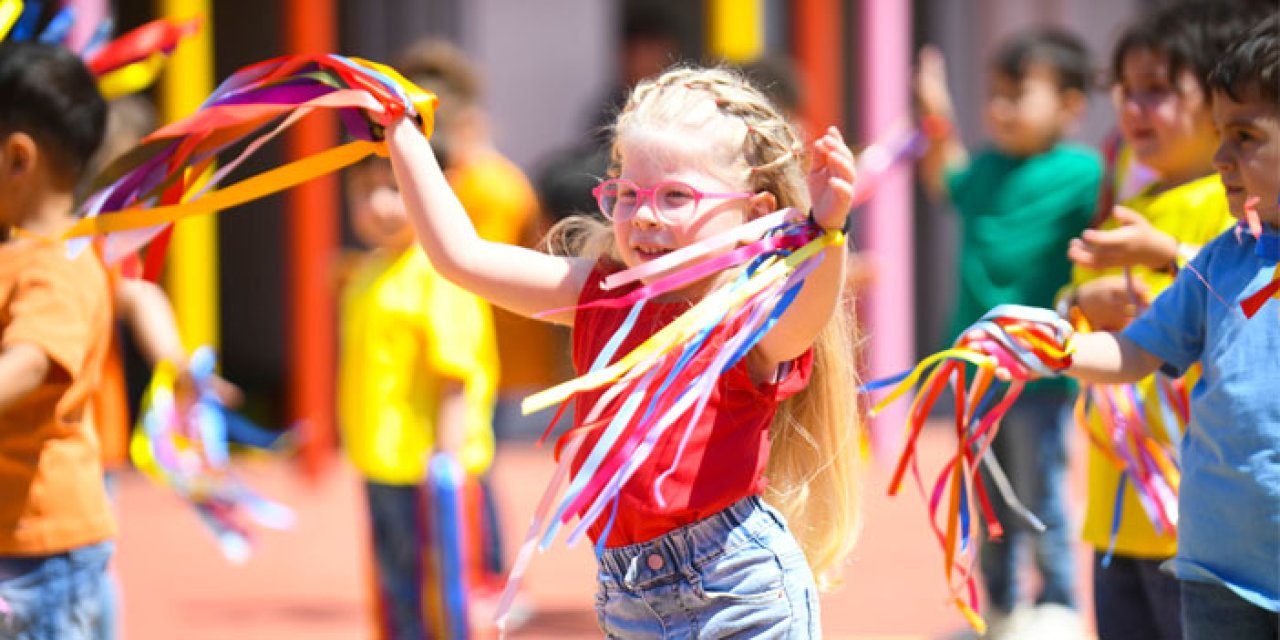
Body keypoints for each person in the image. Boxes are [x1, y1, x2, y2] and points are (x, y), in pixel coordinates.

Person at [385, 65, 861, 636]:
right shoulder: (599, 296)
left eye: (676, 196)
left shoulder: (744, 316)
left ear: (755, 212)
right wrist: (402, 132)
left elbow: (801, 324)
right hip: (628, 596)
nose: (645, 215)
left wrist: (827, 234)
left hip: (740, 589)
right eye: (628, 194)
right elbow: (460, 257)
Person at [1062, 17, 1280, 638]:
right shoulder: (1223, 255)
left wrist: (1160, 251)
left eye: (1244, 135)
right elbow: (1136, 351)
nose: (1222, 157)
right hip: (1215, 564)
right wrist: (1057, 348)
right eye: (1220, 134)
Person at [915, 28, 1100, 637]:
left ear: (1071, 105)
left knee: (1042, 497)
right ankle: (998, 607)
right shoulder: (988, 167)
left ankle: (1060, 607)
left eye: (1018, 94)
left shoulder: (1082, 173)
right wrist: (936, 115)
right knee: (985, 501)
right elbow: (946, 180)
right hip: (972, 373)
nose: (1000, 108)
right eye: (994, 95)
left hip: (1037, 374)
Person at [337, 149, 500, 639]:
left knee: (437, 593)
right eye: (365, 193)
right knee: (394, 585)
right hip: (381, 462)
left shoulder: (438, 274)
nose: (380, 206)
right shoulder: (367, 274)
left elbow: (455, 374)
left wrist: (445, 464)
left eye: (395, 190)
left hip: (427, 472)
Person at [0, 41, 115, 638]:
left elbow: (29, 361)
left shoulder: (57, 266)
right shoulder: (21, 257)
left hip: (40, 549)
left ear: (18, 159)